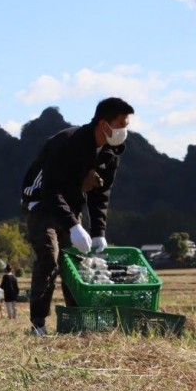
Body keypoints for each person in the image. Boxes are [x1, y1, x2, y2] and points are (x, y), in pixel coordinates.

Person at [21, 97, 134, 336]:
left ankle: (76, 319)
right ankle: (38, 324)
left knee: (74, 263)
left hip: (70, 204)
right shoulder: (68, 143)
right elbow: (51, 190)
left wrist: (98, 232)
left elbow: (100, 193)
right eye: (121, 124)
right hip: (41, 201)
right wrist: (73, 226)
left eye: (127, 125)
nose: (124, 131)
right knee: (49, 259)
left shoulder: (110, 153)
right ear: (104, 124)